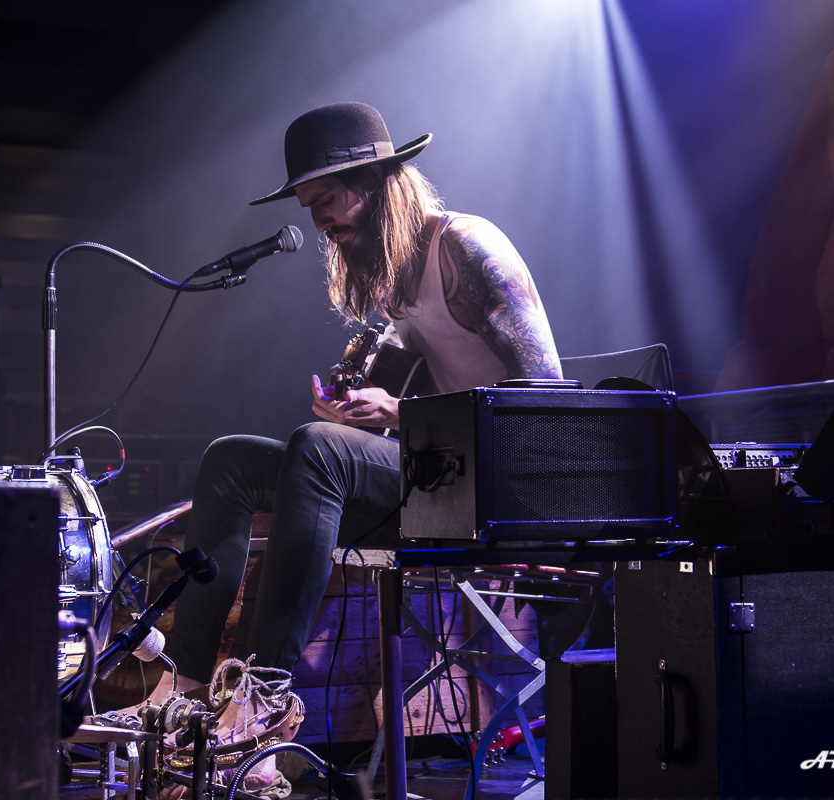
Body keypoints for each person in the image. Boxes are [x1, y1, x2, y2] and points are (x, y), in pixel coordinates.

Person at [155, 101, 561, 794]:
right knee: (232, 460)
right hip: (440, 477)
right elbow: (390, 420)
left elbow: (547, 402)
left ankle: (263, 704)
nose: (320, 223)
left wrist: (396, 412)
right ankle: (187, 691)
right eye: (310, 207)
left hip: (505, 487)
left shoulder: (467, 248)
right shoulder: (395, 279)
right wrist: (355, 410)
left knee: (319, 449)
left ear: (376, 183)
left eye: (327, 201)